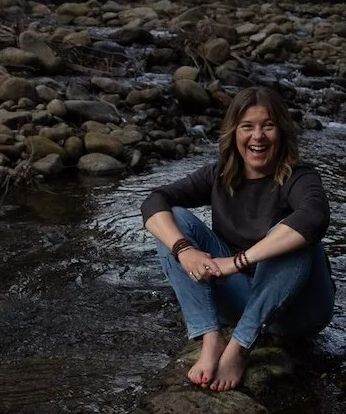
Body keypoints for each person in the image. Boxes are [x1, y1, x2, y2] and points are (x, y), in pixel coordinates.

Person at [142, 86, 335, 391]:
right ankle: (211, 336)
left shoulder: (301, 177)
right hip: (240, 297)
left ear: (282, 132)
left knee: (294, 233)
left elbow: (315, 217)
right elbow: (154, 200)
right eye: (247, 127)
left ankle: (240, 347)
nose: (257, 136)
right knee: (174, 219)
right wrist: (184, 250)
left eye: (267, 126)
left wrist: (238, 261)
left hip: (298, 310)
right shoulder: (218, 175)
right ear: (233, 133)